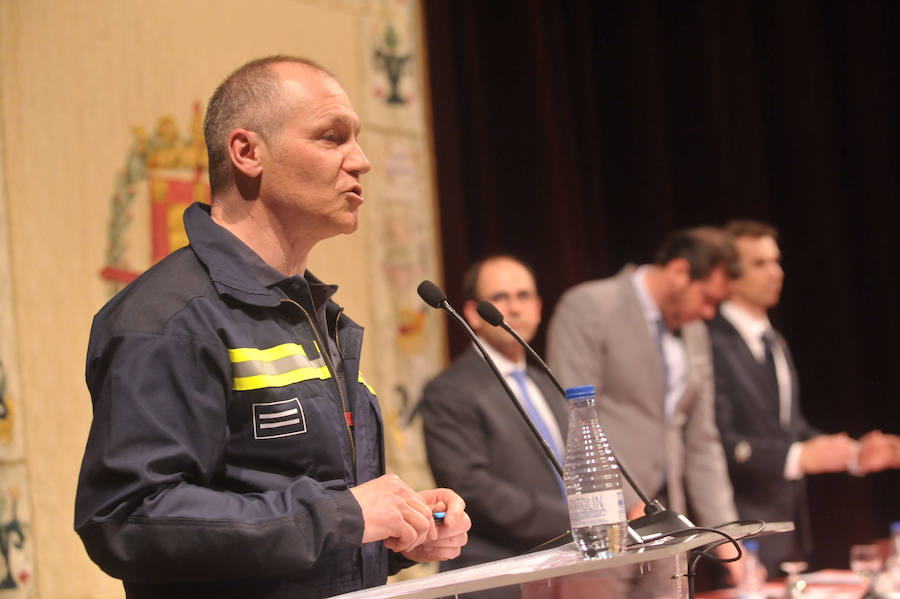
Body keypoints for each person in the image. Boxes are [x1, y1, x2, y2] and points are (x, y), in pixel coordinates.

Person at [74, 55, 469, 599]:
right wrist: (343, 515)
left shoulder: (313, 314)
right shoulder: (169, 319)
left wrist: (393, 533)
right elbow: (127, 519)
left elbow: (293, 520)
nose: (362, 161)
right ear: (247, 152)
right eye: (332, 137)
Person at [547, 227, 742, 598]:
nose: (709, 313)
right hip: (606, 524)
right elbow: (571, 418)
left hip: (669, 527)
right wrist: (618, 502)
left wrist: (726, 533)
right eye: (707, 299)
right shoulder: (590, 305)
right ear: (680, 272)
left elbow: (702, 440)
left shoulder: (695, 330)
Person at [709, 219, 900, 576]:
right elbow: (715, 442)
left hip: (789, 528)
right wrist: (798, 456)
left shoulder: (774, 341)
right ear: (728, 275)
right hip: (737, 537)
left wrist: (854, 455)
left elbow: (791, 428)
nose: (776, 273)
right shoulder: (710, 343)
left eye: (776, 261)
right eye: (760, 263)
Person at [420, 255, 569, 599]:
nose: (515, 307)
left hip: (566, 570)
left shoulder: (546, 382)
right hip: (495, 575)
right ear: (473, 313)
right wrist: (571, 519)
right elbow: (472, 488)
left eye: (524, 296)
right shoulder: (449, 389)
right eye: (500, 298)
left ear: (539, 307)